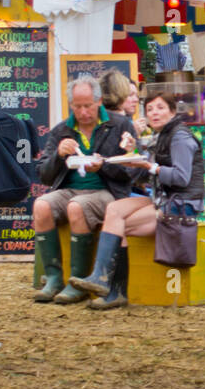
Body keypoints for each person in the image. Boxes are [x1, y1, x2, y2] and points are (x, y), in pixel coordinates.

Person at [69, 92, 205, 310]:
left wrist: (148, 166)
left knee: (118, 224)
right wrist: (132, 154)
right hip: (162, 199)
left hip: (181, 206)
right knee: (114, 209)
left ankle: (113, 289)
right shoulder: (161, 135)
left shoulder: (180, 137)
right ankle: (102, 279)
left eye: (160, 108)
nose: (154, 113)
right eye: (150, 109)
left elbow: (181, 178)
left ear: (172, 111)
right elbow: (144, 176)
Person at [32, 78, 134, 304]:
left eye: (88, 105)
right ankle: (53, 278)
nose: (83, 112)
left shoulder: (120, 125)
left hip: (107, 191)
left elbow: (131, 171)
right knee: (41, 205)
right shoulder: (62, 130)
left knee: (77, 207)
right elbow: (44, 175)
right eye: (77, 106)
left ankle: (77, 281)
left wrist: (104, 166)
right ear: (71, 105)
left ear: (99, 101)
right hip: (69, 189)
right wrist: (59, 155)